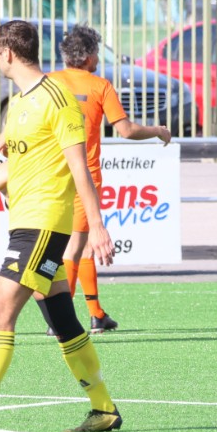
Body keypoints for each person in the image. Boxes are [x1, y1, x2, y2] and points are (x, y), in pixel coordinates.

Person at [0, 20, 120, 432]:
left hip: (45, 224)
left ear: (8, 53)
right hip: (25, 223)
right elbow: (11, 167)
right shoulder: (19, 104)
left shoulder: (57, 99)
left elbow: (79, 165)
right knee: (64, 319)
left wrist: (98, 225)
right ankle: (104, 409)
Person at [47, 25, 171, 333]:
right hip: (84, 177)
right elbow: (126, 130)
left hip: (50, 174)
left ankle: (96, 313)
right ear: (89, 57)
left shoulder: (48, 82)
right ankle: (60, 322)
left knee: (85, 245)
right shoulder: (100, 85)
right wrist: (157, 130)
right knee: (74, 248)